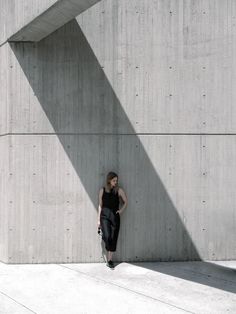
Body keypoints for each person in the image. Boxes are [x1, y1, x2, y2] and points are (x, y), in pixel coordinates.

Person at [97, 171, 128, 268]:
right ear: (109, 180)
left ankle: (110, 260)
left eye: (116, 181)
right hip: (105, 216)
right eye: (114, 180)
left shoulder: (119, 190)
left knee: (114, 238)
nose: (116, 182)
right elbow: (100, 205)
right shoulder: (102, 190)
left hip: (115, 217)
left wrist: (121, 211)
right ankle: (104, 237)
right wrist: (98, 220)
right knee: (107, 236)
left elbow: (126, 202)